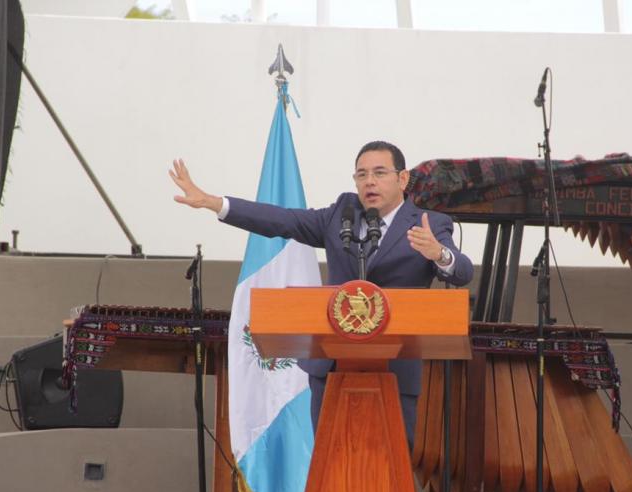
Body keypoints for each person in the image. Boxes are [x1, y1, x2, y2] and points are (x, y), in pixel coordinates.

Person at [169, 140, 474, 447]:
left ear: (402, 178)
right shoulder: (342, 214)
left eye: (380, 173)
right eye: (361, 174)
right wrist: (215, 203)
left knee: (388, 470)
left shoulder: (429, 224)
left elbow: (462, 272)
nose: (370, 181)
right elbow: (283, 220)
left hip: (394, 370)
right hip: (331, 370)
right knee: (329, 469)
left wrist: (439, 254)